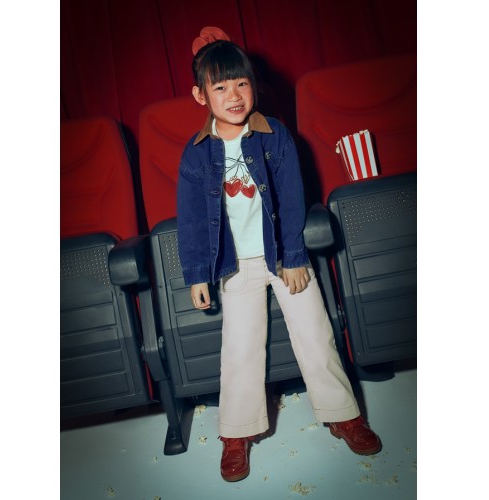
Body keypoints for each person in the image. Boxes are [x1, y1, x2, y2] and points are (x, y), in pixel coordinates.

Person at [177, 28, 382, 483]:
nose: (234, 95)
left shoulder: (274, 135)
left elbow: (292, 199)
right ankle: (237, 433)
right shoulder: (195, 155)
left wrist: (293, 257)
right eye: (220, 87)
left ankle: (343, 414)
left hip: (282, 256)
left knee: (315, 333)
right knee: (240, 348)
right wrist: (197, 274)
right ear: (200, 95)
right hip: (235, 266)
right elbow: (190, 220)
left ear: (254, 85)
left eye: (241, 83)